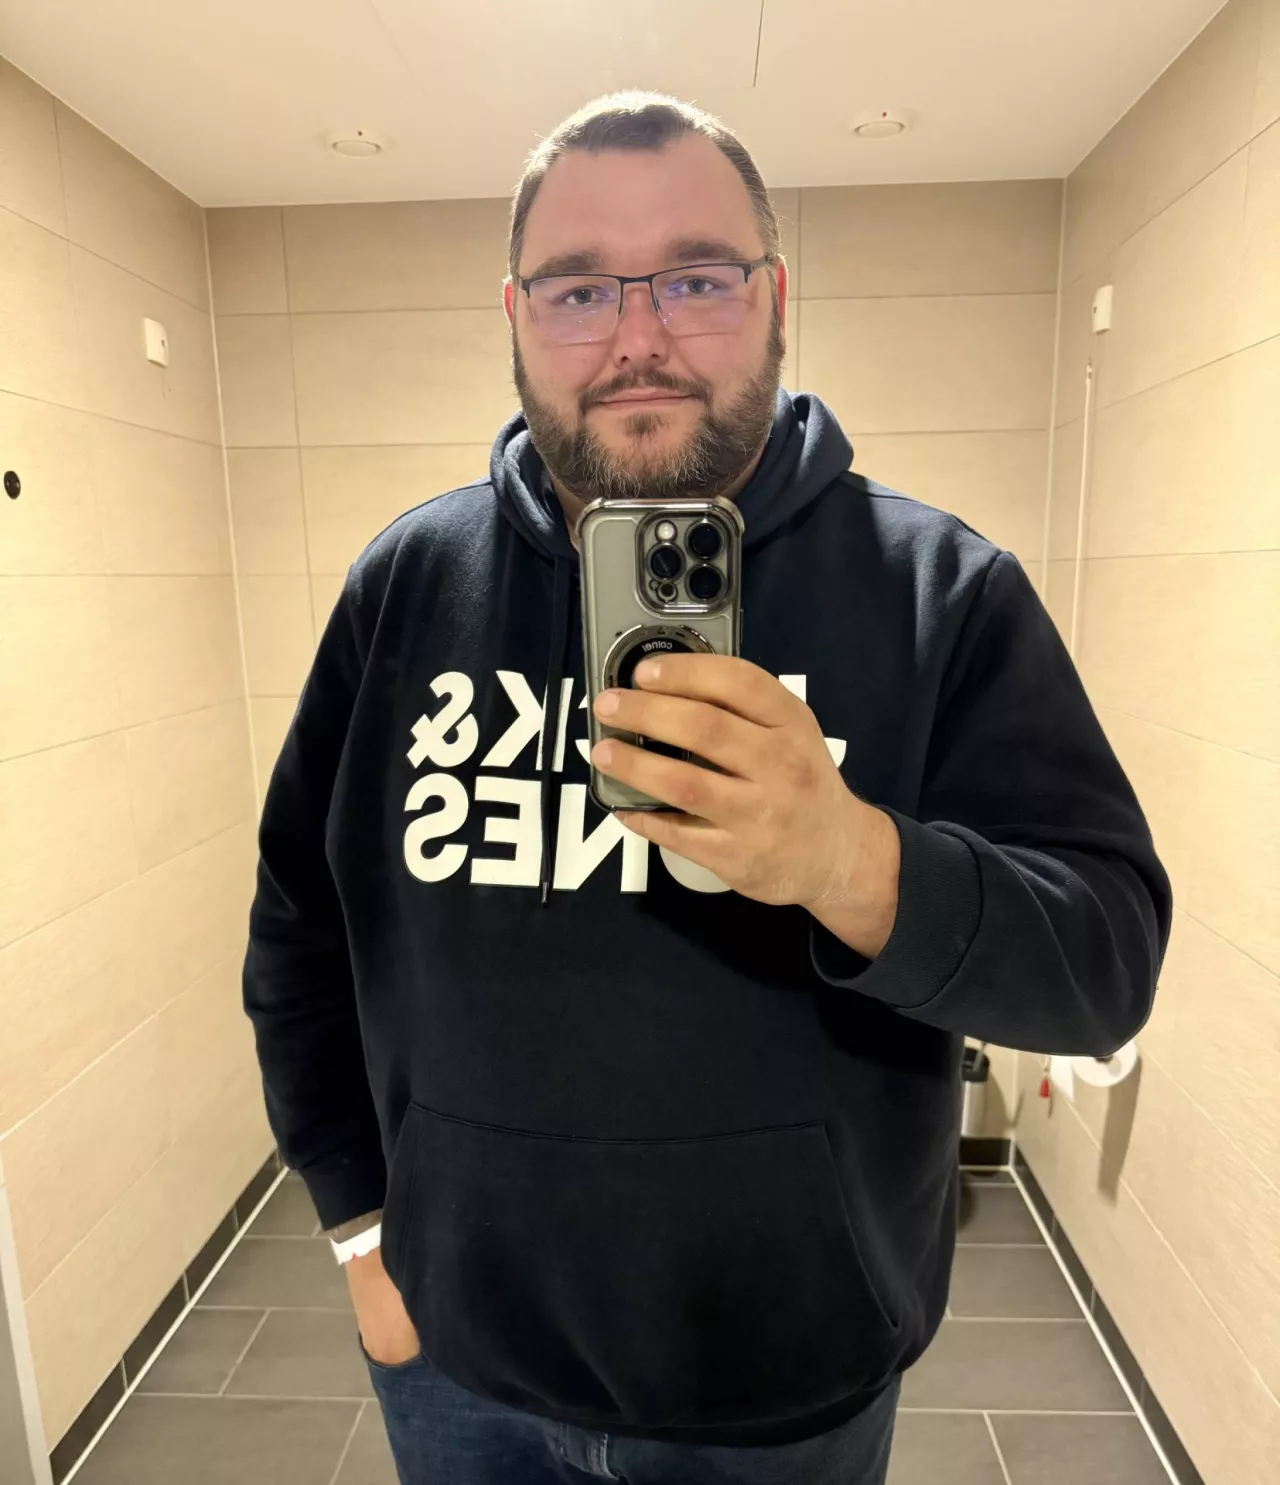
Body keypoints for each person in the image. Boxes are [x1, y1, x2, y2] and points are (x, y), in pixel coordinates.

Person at [241, 91, 1172, 1485]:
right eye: (578, 289)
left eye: (695, 277)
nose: (637, 335)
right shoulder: (407, 589)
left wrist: (852, 863)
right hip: (457, 1368)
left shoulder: (942, 594)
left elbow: (1105, 968)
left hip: (787, 1393)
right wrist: (362, 1234)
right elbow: (297, 934)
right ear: (516, 318)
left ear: (774, 299)